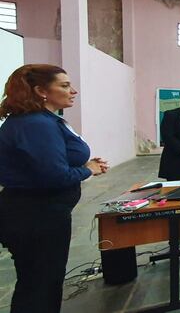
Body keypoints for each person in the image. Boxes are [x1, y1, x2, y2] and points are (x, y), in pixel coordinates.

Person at [0, 64, 109, 313]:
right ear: (41, 91)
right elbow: (54, 176)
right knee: (39, 285)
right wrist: (88, 170)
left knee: (42, 282)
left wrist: (82, 164)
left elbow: (46, 163)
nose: (73, 91)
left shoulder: (42, 120)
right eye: (64, 85)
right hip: (35, 217)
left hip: (42, 214)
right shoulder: (35, 124)